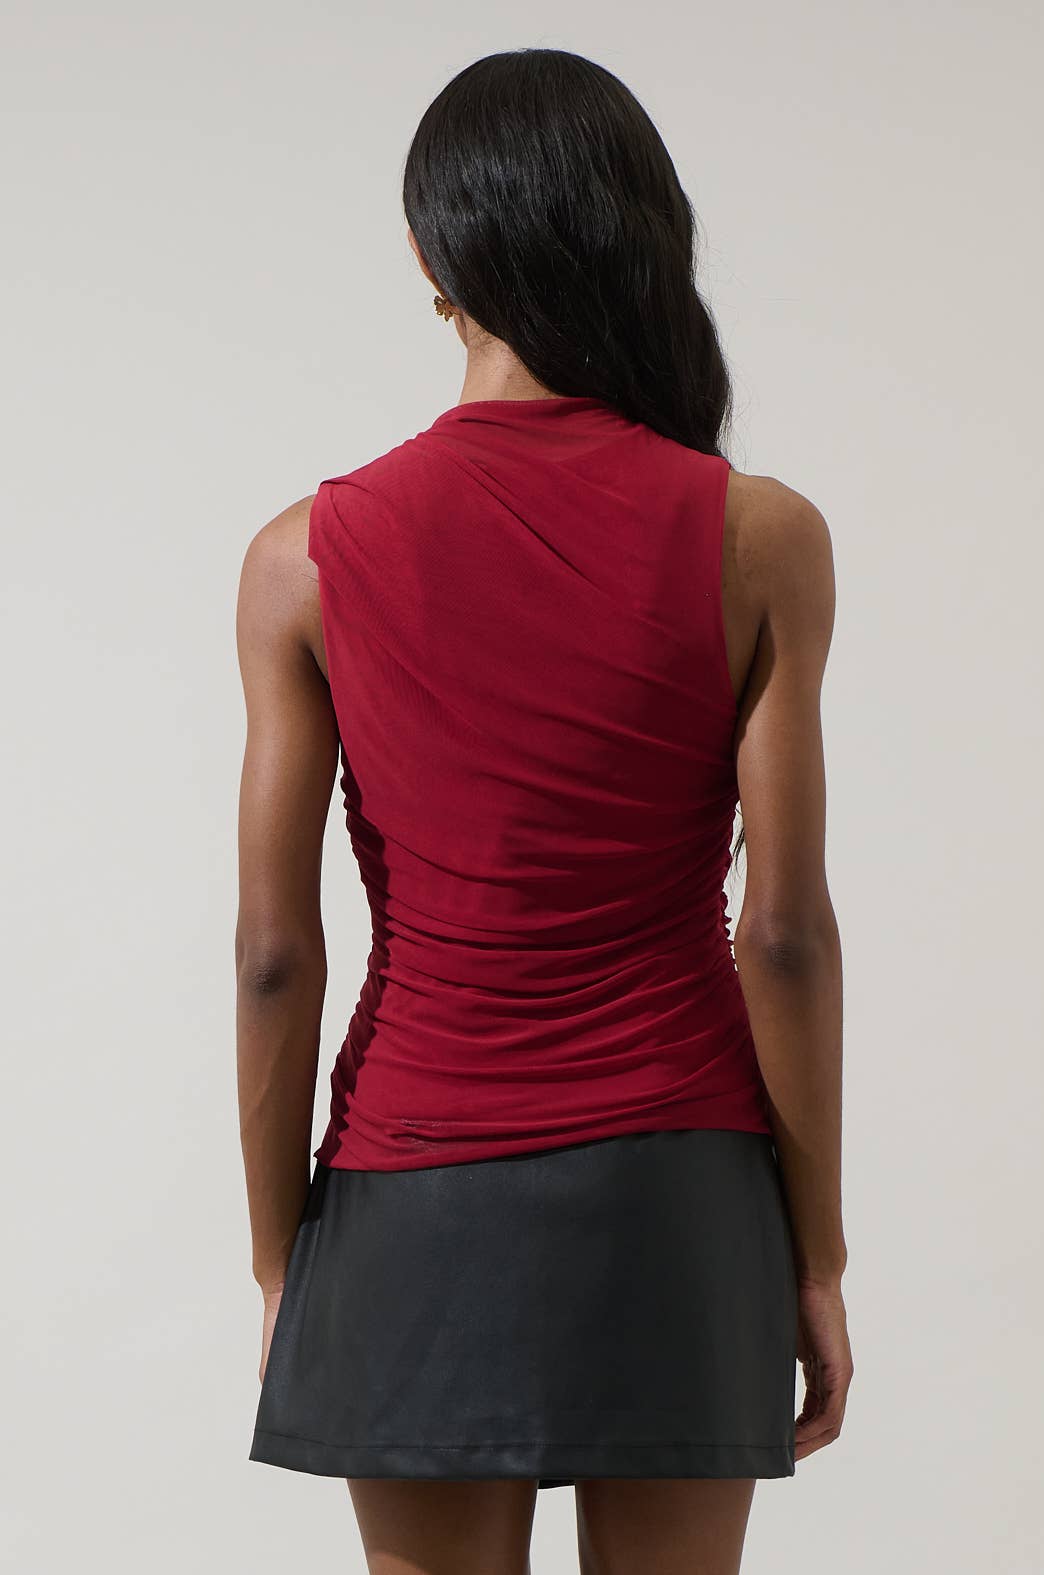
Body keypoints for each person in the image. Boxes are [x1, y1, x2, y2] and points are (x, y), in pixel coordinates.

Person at [236, 45, 852, 1575]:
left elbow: (272, 953)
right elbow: (781, 933)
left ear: (428, 256)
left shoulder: (304, 557)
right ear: (642, 233)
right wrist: (816, 1256)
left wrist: (277, 1262)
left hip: (413, 1185)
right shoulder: (757, 537)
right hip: (680, 1189)